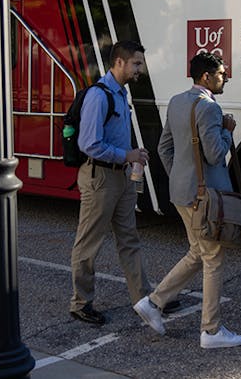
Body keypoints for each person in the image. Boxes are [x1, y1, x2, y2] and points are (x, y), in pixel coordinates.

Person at [133, 52, 241, 349]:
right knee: (213, 258)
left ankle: (154, 303)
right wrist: (227, 129)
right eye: (221, 74)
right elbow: (214, 154)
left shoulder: (176, 101)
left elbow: (163, 147)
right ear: (206, 77)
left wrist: (178, 178)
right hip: (204, 196)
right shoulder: (209, 108)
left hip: (184, 194)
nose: (225, 78)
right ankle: (211, 331)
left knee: (198, 252)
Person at [69, 40, 153, 326]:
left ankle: (143, 300)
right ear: (119, 62)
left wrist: (134, 155)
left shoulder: (120, 94)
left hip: (122, 175)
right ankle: (81, 304)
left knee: (129, 239)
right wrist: (126, 154)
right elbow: (89, 143)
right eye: (136, 64)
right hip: (100, 177)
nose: (140, 69)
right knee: (89, 243)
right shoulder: (99, 95)